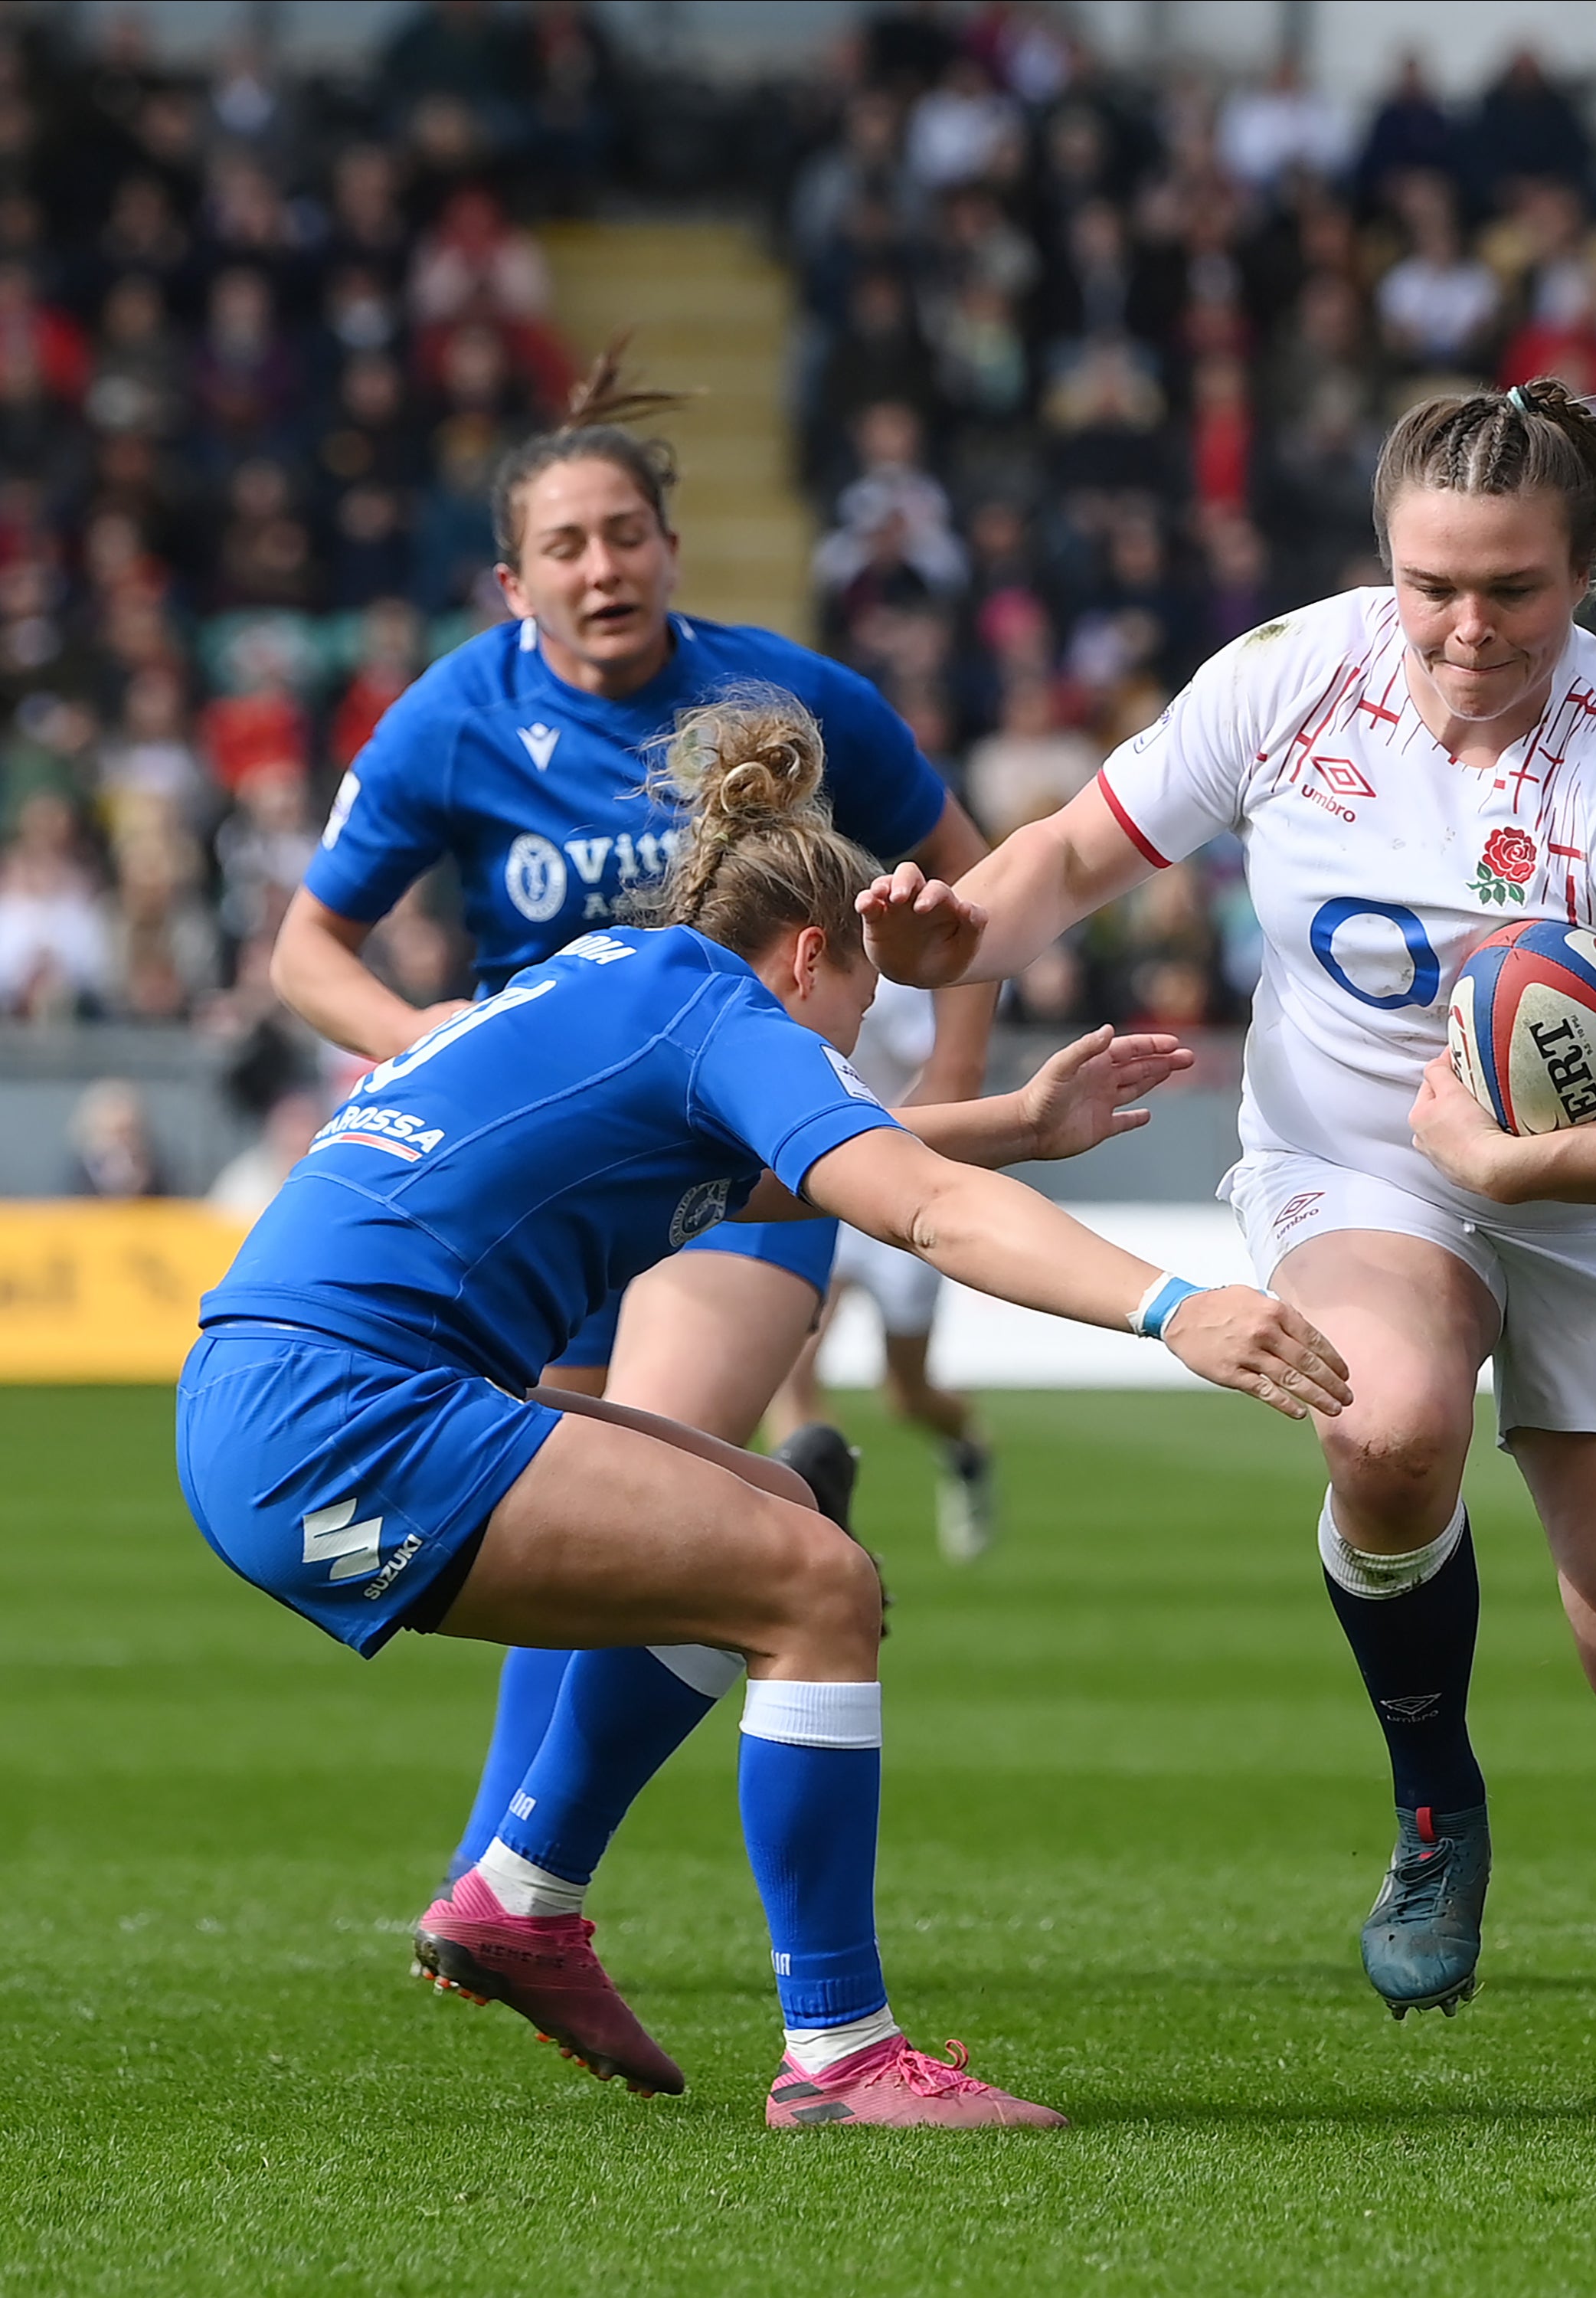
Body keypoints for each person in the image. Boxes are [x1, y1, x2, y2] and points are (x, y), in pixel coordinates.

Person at [862, 378, 1596, 2112]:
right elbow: (1080, 849)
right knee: (1381, 1419)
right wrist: (958, 937)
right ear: (1384, 559)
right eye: (1432, 584)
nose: (1468, 629)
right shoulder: (1294, 672)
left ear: (1584, 572)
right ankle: (1430, 1795)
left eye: (1515, 592)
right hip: (1356, 1164)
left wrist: (1535, 1166)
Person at [178, 689, 1346, 2125]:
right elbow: (909, 1205)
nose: (858, 1048)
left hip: (293, 1383)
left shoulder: (624, 980)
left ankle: (524, 1901)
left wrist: (1019, 1128)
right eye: (865, 1007)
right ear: (810, 956)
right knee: (817, 1585)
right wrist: (1181, 1306)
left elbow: (802, 1167)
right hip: (340, 1417)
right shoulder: (724, 1015)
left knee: (775, 1512)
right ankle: (843, 2059)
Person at [268, 346, 1003, 1934]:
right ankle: (511, 1877)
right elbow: (303, 952)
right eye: (565, 545)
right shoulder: (452, 716)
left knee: (625, 1482)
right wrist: (431, 1045)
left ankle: (509, 1878)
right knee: (556, 1497)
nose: (600, 566)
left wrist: (923, 1110)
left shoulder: (787, 700)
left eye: (624, 534)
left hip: (736, 1165)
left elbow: (970, 890)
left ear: (671, 546)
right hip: (539, 1175)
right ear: (510, 577)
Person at [770, 977, 1000, 1563]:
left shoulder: (891, 989)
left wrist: (880, 1143)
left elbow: (947, 1075)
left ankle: (968, 1445)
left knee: (906, 1393)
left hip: (899, 1182)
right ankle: (820, 1534)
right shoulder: (787, 968)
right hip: (825, 1184)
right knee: (792, 1371)